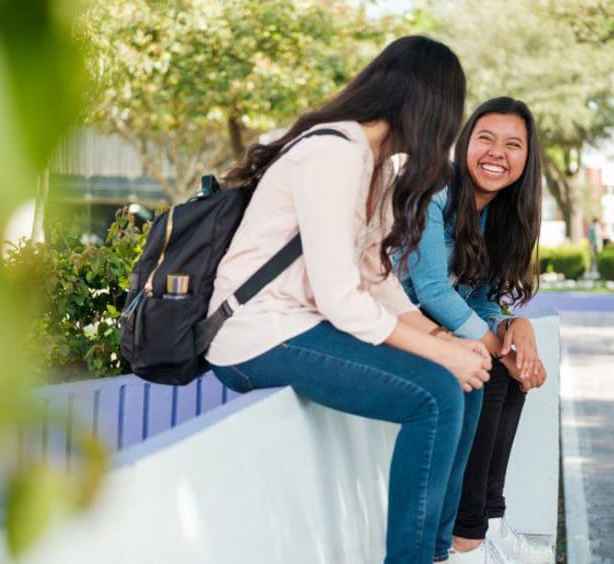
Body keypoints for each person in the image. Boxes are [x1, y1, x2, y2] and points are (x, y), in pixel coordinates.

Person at [205, 36, 493, 564]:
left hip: (302, 327)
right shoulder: (332, 153)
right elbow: (341, 299)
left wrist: (445, 339)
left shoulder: (377, 164)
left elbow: (375, 279)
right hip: (254, 335)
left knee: (465, 380)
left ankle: (440, 553)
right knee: (436, 395)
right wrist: (438, 353)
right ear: (430, 105)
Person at [398, 97, 551, 563]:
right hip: (397, 327)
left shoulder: (501, 215)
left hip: (437, 333)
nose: (496, 153)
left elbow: (480, 301)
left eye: (513, 144)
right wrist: (495, 343)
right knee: (487, 367)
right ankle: (465, 543)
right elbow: (428, 290)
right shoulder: (435, 189)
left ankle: (488, 523)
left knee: (511, 373)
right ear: (465, 142)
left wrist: (512, 330)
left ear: (527, 158)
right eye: (485, 138)